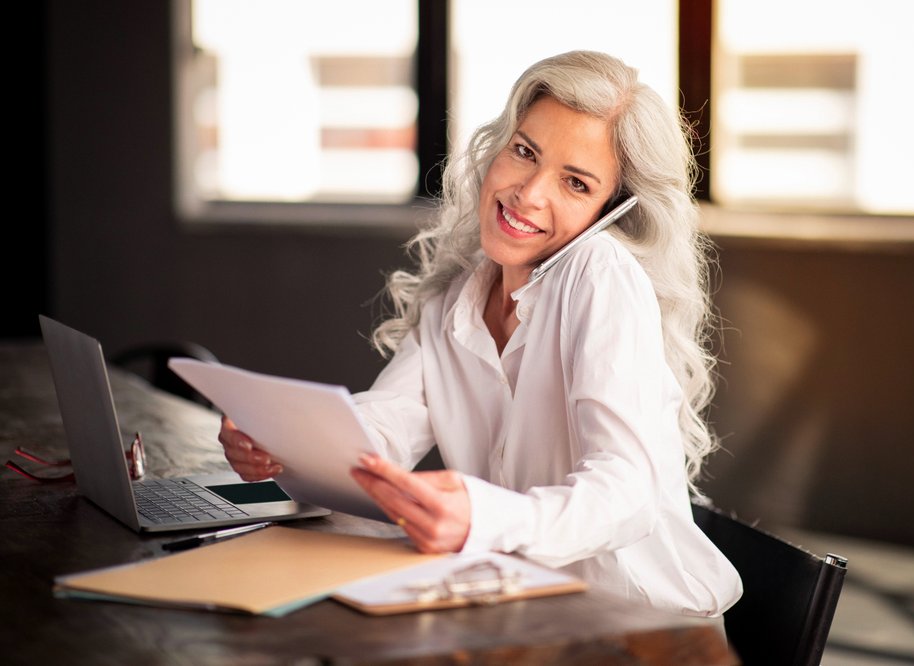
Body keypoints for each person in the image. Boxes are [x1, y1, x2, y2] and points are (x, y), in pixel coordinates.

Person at [219, 50, 742, 616]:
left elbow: (626, 491)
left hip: (640, 624)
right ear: (497, 146)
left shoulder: (600, 273)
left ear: (611, 212)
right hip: (518, 607)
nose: (529, 193)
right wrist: (285, 446)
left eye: (575, 183)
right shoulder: (459, 298)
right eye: (525, 152)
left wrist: (485, 516)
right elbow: (388, 426)